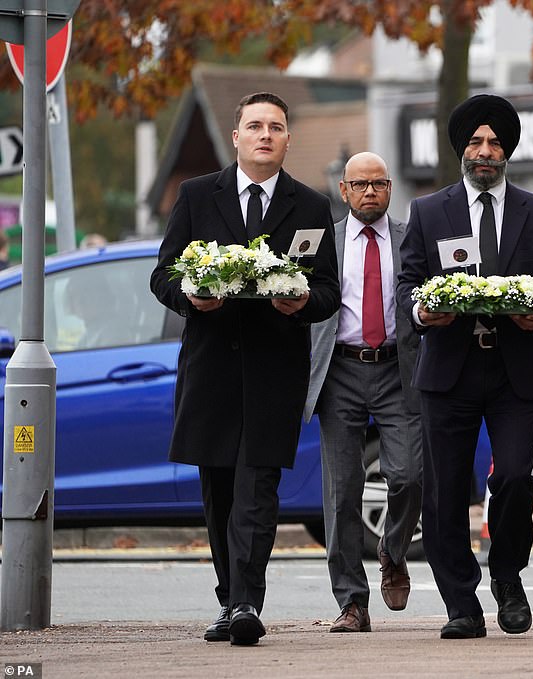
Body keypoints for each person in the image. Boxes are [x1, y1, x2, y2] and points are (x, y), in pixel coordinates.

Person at [150, 91, 340, 646]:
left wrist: (301, 299)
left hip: (273, 372)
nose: (265, 135)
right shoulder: (195, 195)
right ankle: (228, 597)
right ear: (235, 137)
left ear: (286, 140)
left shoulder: (310, 206)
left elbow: (328, 290)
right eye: (254, 126)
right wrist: (192, 296)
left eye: (275, 127)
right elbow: (162, 275)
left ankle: (245, 604)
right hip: (210, 371)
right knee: (220, 495)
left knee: (258, 492)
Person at [396, 93, 533, 639]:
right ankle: (460, 603)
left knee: (515, 478)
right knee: (446, 488)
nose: (485, 151)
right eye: (475, 142)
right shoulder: (428, 212)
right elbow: (407, 284)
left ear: (508, 152)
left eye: (495, 143)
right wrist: (423, 311)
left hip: (514, 369)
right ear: (460, 150)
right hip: (448, 369)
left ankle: (508, 577)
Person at [302, 152, 422, 633]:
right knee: (342, 491)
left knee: (409, 474)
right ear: (344, 191)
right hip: (341, 372)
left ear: (390, 189)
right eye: (360, 184)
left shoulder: (412, 239)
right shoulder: (322, 243)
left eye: (379, 184)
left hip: (398, 369)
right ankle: (352, 602)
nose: (370, 191)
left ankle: (393, 552)